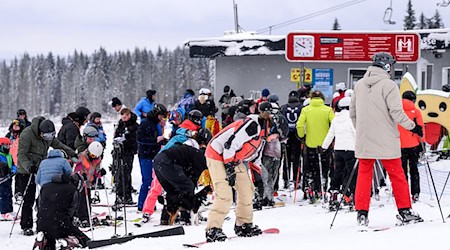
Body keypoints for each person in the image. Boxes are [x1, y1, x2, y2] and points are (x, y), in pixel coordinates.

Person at [350, 52, 423, 227]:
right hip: (386, 138)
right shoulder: (389, 85)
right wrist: (413, 127)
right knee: (397, 174)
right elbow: (396, 113)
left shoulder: (358, 85)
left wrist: (362, 130)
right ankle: (404, 210)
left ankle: (362, 213)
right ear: (387, 66)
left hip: (365, 138)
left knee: (364, 174)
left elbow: (353, 114)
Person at [204, 101, 273, 242]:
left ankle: (243, 224)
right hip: (217, 154)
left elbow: (255, 158)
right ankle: (213, 228)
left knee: (247, 190)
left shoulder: (262, 137)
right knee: (225, 193)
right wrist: (229, 168)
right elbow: (231, 144)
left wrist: (258, 179)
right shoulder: (252, 126)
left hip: (234, 158)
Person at [17, 117, 76, 236]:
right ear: (40, 132)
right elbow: (21, 154)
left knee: (45, 197)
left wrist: (72, 153)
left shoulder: (48, 135)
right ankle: (26, 225)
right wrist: (29, 166)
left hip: (41, 168)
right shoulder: (27, 134)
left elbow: (58, 145)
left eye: (51, 135)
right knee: (28, 199)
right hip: (26, 170)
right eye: (47, 136)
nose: (49, 138)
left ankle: (44, 222)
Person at [153, 129, 213, 225]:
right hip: (168, 162)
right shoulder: (197, 153)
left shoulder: (186, 144)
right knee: (188, 187)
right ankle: (186, 217)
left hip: (158, 161)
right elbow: (195, 174)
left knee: (172, 191)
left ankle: (167, 217)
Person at [296, 91, 334, 203]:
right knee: (323, 168)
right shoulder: (328, 110)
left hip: (310, 144)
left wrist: (302, 136)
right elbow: (334, 124)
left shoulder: (306, 110)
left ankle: (310, 189)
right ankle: (321, 189)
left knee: (310, 169)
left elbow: (299, 125)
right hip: (324, 145)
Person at [35, 173, 90, 250]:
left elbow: (38, 205)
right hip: (61, 224)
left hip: (42, 223)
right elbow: (72, 211)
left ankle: (45, 240)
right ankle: (69, 242)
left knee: (49, 236)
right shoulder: (73, 190)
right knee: (79, 236)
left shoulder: (45, 187)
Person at [322, 97, 357, 211]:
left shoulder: (336, 119)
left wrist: (324, 147)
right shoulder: (352, 119)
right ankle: (348, 195)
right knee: (351, 174)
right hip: (351, 149)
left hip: (338, 150)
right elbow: (356, 132)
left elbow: (330, 134)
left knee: (338, 172)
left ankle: (334, 194)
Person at [136, 103, 168, 211]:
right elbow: (140, 138)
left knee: (153, 180)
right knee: (147, 180)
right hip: (145, 155)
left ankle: (149, 203)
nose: (161, 118)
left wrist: (163, 140)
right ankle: (142, 204)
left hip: (154, 154)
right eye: (161, 116)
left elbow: (157, 137)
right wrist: (155, 140)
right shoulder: (145, 123)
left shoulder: (156, 124)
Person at [399, 91, 425, 202]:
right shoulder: (416, 112)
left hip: (399, 145)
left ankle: (402, 194)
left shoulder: (397, 111)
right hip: (414, 145)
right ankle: (415, 193)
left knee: (402, 171)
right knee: (414, 170)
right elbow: (421, 129)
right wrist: (422, 144)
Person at [74, 141, 105, 227]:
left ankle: (86, 217)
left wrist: (100, 173)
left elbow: (96, 172)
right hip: (79, 182)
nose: (93, 157)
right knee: (79, 200)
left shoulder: (97, 159)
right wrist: (80, 174)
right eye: (92, 155)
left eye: (95, 156)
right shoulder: (82, 156)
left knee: (87, 201)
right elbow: (75, 168)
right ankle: (77, 217)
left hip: (88, 183)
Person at [114, 108, 138, 205]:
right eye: (122, 117)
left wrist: (126, 140)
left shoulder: (134, 125)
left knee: (125, 173)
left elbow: (135, 139)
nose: (123, 119)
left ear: (129, 115)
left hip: (128, 152)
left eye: (125, 117)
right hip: (120, 152)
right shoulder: (121, 124)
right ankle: (121, 195)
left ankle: (126, 196)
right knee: (119, 173)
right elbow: (116, 134)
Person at [281, 91, 303, 189]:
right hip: (297, 136)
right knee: (297, 159)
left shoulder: (284, 107)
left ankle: (286, 180)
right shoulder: (301, 107)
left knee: (287, 158)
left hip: (287, 135)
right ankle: (296, 180)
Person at [5, 119, 25, 203]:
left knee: (19, 178)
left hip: (19, 159)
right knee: (7, 179)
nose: (15, 127)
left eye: (17, 126)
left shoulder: (23, 135)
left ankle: (18, 194)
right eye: (14, 126)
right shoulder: (9, 135)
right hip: (9, 159)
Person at [0, 137, 17, 220]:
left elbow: (13, 164)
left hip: (8, 178)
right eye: (5, 146)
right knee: (3, 195)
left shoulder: (9, 155)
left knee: (9, 194)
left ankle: (9, 210)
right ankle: (3, 211)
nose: (7, 147)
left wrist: (13, 170)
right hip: (1, 179)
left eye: (8, 145)